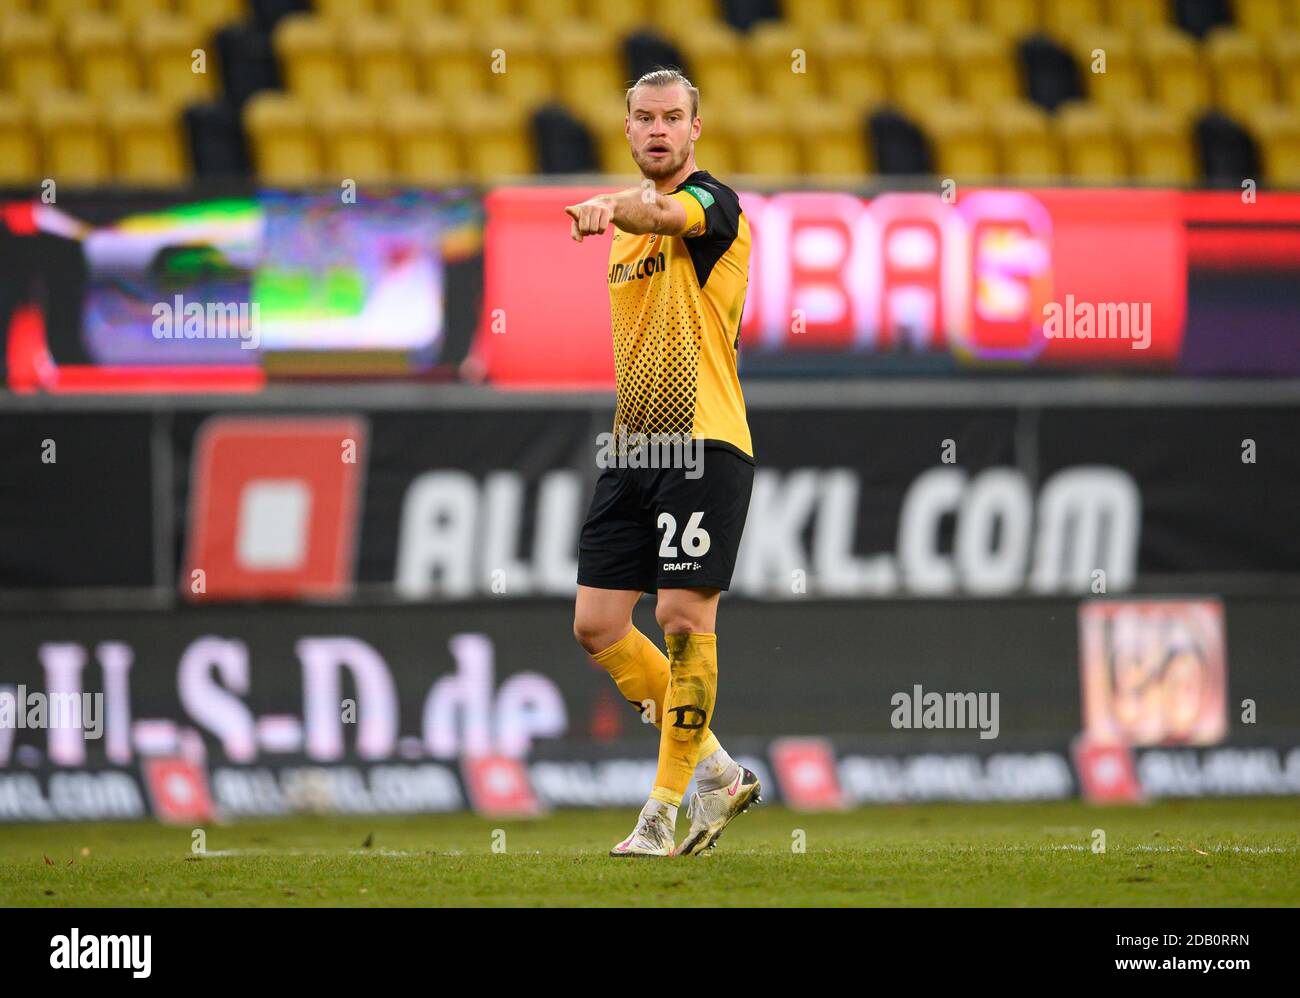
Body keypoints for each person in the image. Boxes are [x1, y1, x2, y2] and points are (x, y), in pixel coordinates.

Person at [565, 68, 760, 857]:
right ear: (627, 130)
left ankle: (662, 807)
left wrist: (614, 204)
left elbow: (669, 210)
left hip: (704, 441)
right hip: (637, 444)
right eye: (643, 118)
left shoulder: (714, 205)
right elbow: (641, 215)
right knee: (597, 624)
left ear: (694, 130)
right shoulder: (623, 233)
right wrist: (616, 212)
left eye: (671, 118)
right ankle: (714, 766)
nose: (657, 129)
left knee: (682, 619)